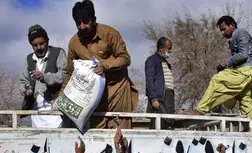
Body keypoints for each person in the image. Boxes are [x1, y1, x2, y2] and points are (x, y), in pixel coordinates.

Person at [191, 16, 252, 144]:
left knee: (218, 79)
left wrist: (225, 63)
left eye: (224, 29)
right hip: (247, 77)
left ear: (232, 26)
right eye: (221, 30)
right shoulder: (233, 39)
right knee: (250, 113)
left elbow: (243, 54)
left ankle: (201, 109)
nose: (222, 32)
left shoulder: (240, 33)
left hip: (245, 72)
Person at [60, 0, 138, 129]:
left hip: (118, 88)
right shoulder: (74, 43)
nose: (82, 26)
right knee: (96, 135)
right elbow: (69, 73)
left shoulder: (110, 34)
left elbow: (125, 58)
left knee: (123, 135)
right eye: (78, 23)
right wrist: (61, 96)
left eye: (85, 21)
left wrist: (105, 65)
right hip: (94, 95)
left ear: (94, 19)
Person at [20, 25, 68, 128]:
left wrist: (45, 77)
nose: (39, 48)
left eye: (42, 43)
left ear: (47, 40)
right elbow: (23, 80)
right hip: (35, 112)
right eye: (35, 45)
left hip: (55, 109)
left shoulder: (58, 53)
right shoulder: (29, 59)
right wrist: (26, 89)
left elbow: (64, 75)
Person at [145, 37, 175, 129]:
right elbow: (149, 80)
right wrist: (154, 98)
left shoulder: (165, 62)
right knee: (159, 125)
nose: (170, 51)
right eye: (168, 48)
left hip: (168, 97)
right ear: (161, 48)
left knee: (168, 123)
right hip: (159, 99)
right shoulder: (152, 60)